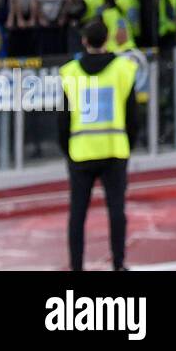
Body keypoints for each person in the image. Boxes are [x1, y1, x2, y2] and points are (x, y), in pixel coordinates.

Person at [58, 18, 139, 271]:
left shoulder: (69, 72)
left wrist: (68, 150)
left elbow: (63, 118)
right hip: (114, 150)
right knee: (116, 211)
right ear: (107, 39)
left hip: (80, 153)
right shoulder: (123, 69)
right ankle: (118, 264)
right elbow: (133, 115)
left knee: (77, 215)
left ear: (84, 41)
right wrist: (128, 144)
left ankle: (77, 266)